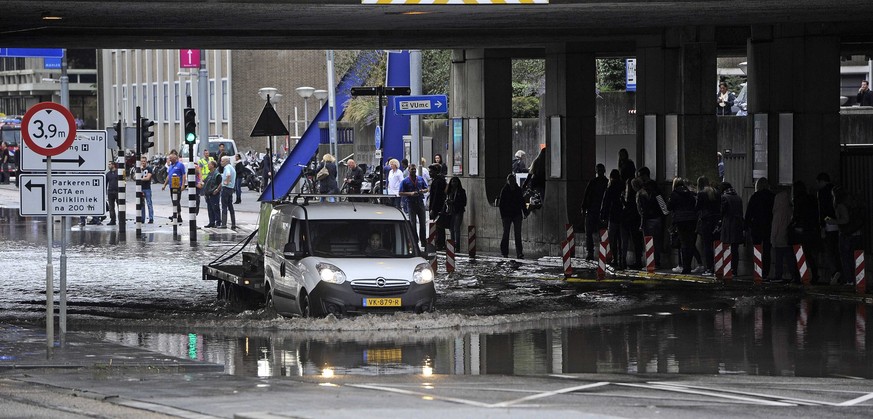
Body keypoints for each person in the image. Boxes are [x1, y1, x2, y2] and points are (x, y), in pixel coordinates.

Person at [827, 186, 864, 286]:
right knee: (855, 258)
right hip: (857, 233)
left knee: (845, 258)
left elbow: (845, 220)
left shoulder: (840, 206)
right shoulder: (852, 203)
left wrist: (832, 221)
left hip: (846, 235)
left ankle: (850, 280)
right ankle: (859, 280)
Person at [745, 177, 775, 279]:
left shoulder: (755, 196)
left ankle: (758, 271)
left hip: (756, 226)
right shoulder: (772, 196)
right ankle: (766, 273)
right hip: (769, 226)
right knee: (767, 250)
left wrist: (747, 226)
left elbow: (749, 213)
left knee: (757, 249)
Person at [636, 167, 666, 269]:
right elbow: (662, 203)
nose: (638, 178)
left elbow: (643, 209)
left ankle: (650, 263)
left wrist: (642, 223)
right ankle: (656, 262)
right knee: (657, 242)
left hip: (648, 219)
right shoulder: (656, 187)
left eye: (639, 176)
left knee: (648, 242)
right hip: (658, 218)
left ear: (644, 176)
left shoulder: (643, 190)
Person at [792, 181, 821, 283]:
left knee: (798, 254)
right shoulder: (812, 199)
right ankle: (814, 274)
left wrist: (794, 225)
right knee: (809, 254)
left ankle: (798, 276)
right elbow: (817, 215)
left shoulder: (798, 200)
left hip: (800, 230)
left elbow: (796, 215)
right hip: (811, 230)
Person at [668, 177, 698, 274]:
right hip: (692, 219)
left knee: (684, 244)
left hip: (680, 220)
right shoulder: (689, 193)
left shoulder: (674, 194)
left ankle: (686, 267)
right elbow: (694, 204)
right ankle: (688, 265)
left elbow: (669, 207)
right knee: (690, 243)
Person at [816, 172, 841, 283]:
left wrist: (823, 224)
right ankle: (841, 273)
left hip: (829, 224)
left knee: (829, 250)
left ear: (821, 181)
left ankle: (834, 272)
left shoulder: (822, 192)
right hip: (840, 223)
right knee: (837, 250)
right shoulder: (836, 190)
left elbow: (822, 211)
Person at [770, 189, 799, 283]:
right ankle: (794, 275)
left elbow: (775, 227)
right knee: (790, 258)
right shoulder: (790, 210)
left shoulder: (778, 212)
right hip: (788, 238)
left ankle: (778, 275)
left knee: (779, 259)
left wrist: (772, 239)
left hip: (779, 238)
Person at [398, 164, 429, 248]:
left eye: (415, 169)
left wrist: (423, 190)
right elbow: (400, 193)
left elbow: (426, 188)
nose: (414, 171)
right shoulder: (405, 181)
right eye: (412, 169)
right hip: (411, 203)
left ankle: (423, 241)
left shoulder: (420, 179)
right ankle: (415, 241)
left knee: (423, 223)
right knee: (413, 223)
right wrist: (410, 193)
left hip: (420, 202)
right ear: (409, 170)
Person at [581, 164, 608, 260]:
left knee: (589, 233)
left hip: (592, 210)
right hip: (601, 211)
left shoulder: (593, 182)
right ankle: (604, 253)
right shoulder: (606, 183)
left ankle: (591, 252)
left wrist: (584, 208)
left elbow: (586, 195)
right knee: (603, 233)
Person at [696, 176, 721, 275]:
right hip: (716, 221)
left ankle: (709, 268)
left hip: (706, 222)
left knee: (707, 246)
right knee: (717, 245)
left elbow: (697, 207)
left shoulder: (701, 194)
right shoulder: (716, 192)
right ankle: (718, 267)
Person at [600, 169, 625, 268]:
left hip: (613, 216)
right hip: (622, 216)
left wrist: (603, 216)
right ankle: (622, 259)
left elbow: (605, 203)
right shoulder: (623, 186)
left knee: (612, 239)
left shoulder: (610, 188)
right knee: (621, 239)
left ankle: (615, 258)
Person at [719, 182, 744, 277]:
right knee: (735, 249)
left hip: (728, 225)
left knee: (726, 248)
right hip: (737, 225)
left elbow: (722, 212)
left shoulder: (724, 197)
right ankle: (734, 270)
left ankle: (728, 269)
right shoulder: (738, 198)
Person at [499, 173, 525, 259]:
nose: (512, 182)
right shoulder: (507, 190)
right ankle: (507, 252)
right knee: (508, 234)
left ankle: (518, 252)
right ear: (508, 181)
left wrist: (524, 212)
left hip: (514, 214)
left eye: (513, 181)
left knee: (515, 234)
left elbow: (522, 202)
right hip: (510, 215)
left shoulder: (509, 190)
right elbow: (501, 204)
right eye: (511, 181)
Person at [621, 178, 644, 269]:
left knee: (636, 241)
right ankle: (638, 260)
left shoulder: (636, 195)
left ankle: (638, 262)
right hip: (637, 220)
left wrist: (622, 199)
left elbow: (632, 208)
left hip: (634, 221)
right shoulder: (640, 193)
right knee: (637, 242)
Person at [162, 151, 186, 222]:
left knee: (177, 201)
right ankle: (175, 214)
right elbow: (168, 176)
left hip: (177, 186)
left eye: (171, 158)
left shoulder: (180, 165)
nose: (170, 160)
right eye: (169, 158)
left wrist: (183, 185)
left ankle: (178, 215)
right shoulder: (171, 166)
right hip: (171, 186)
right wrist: (164, 185)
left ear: (175, 157)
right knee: (173, 201)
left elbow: (184, 175)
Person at [427, 164, 448, 250]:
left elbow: (436, 196)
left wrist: (432, 208)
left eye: (431, 172)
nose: (429, 173)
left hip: (437, 207)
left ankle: (440, 243)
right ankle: (439, 242)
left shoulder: (438, 181)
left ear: (436, 171)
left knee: (438, 226)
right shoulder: (438, 180)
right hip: (437, 207)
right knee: (439, 226)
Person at [445, 176, 467, 250]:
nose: (454, 183)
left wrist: (454, 202)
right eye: (452, 181)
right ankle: (452, 244)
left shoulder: (461, 191)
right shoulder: (449, 192)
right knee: (451, 228)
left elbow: (464, 202)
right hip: (450, 211)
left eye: (455, 182)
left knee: (456, 228)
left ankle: (457, 246)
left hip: (458, 211)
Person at [202, 160, 222, 228]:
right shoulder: (209, 173)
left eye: (209, 164)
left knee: (215, 208)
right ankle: (211, 222)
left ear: (213, 165)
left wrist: (216, 190)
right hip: (208, 194)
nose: (208, 165)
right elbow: (206, 184)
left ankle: (218, 222)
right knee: (210, 209)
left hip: (214, 194)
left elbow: (220, 183)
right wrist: (205, 193)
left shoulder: (217, 174)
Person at [99, 161, 119, 226]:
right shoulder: (108, 174)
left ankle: (121, 219)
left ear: (113, 165)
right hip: (110, 191)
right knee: (111, 207)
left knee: (120, 206)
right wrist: (104, 192)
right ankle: (113, 220)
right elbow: (105, 183)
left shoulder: (119, 172)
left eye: (110, 164)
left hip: (117, 191)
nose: (108, 166)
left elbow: (123, 182)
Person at [219, 155, 237, 229]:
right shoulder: (232, 167)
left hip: (226, 188)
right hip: (231, 189)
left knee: (224, 206)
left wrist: (227, 181)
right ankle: (233, 223)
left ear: (226, 161)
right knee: (230, 206)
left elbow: (228, 174)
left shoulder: (227, 168)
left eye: (222, 161)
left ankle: (224, 224)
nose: (221, 163)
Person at [139, 156, 154, 224]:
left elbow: (148, 178)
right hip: (141, 188)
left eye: (144, 161)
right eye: (142, 162)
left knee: (149, 203)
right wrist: (140, 170)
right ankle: (142, 219)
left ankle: (151, 218)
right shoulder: (139, 169)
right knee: (142, 204)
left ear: (146, 162)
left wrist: (140, 179)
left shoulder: (149, 169)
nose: (143, 163)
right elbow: (134, 177)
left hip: (147, 188)